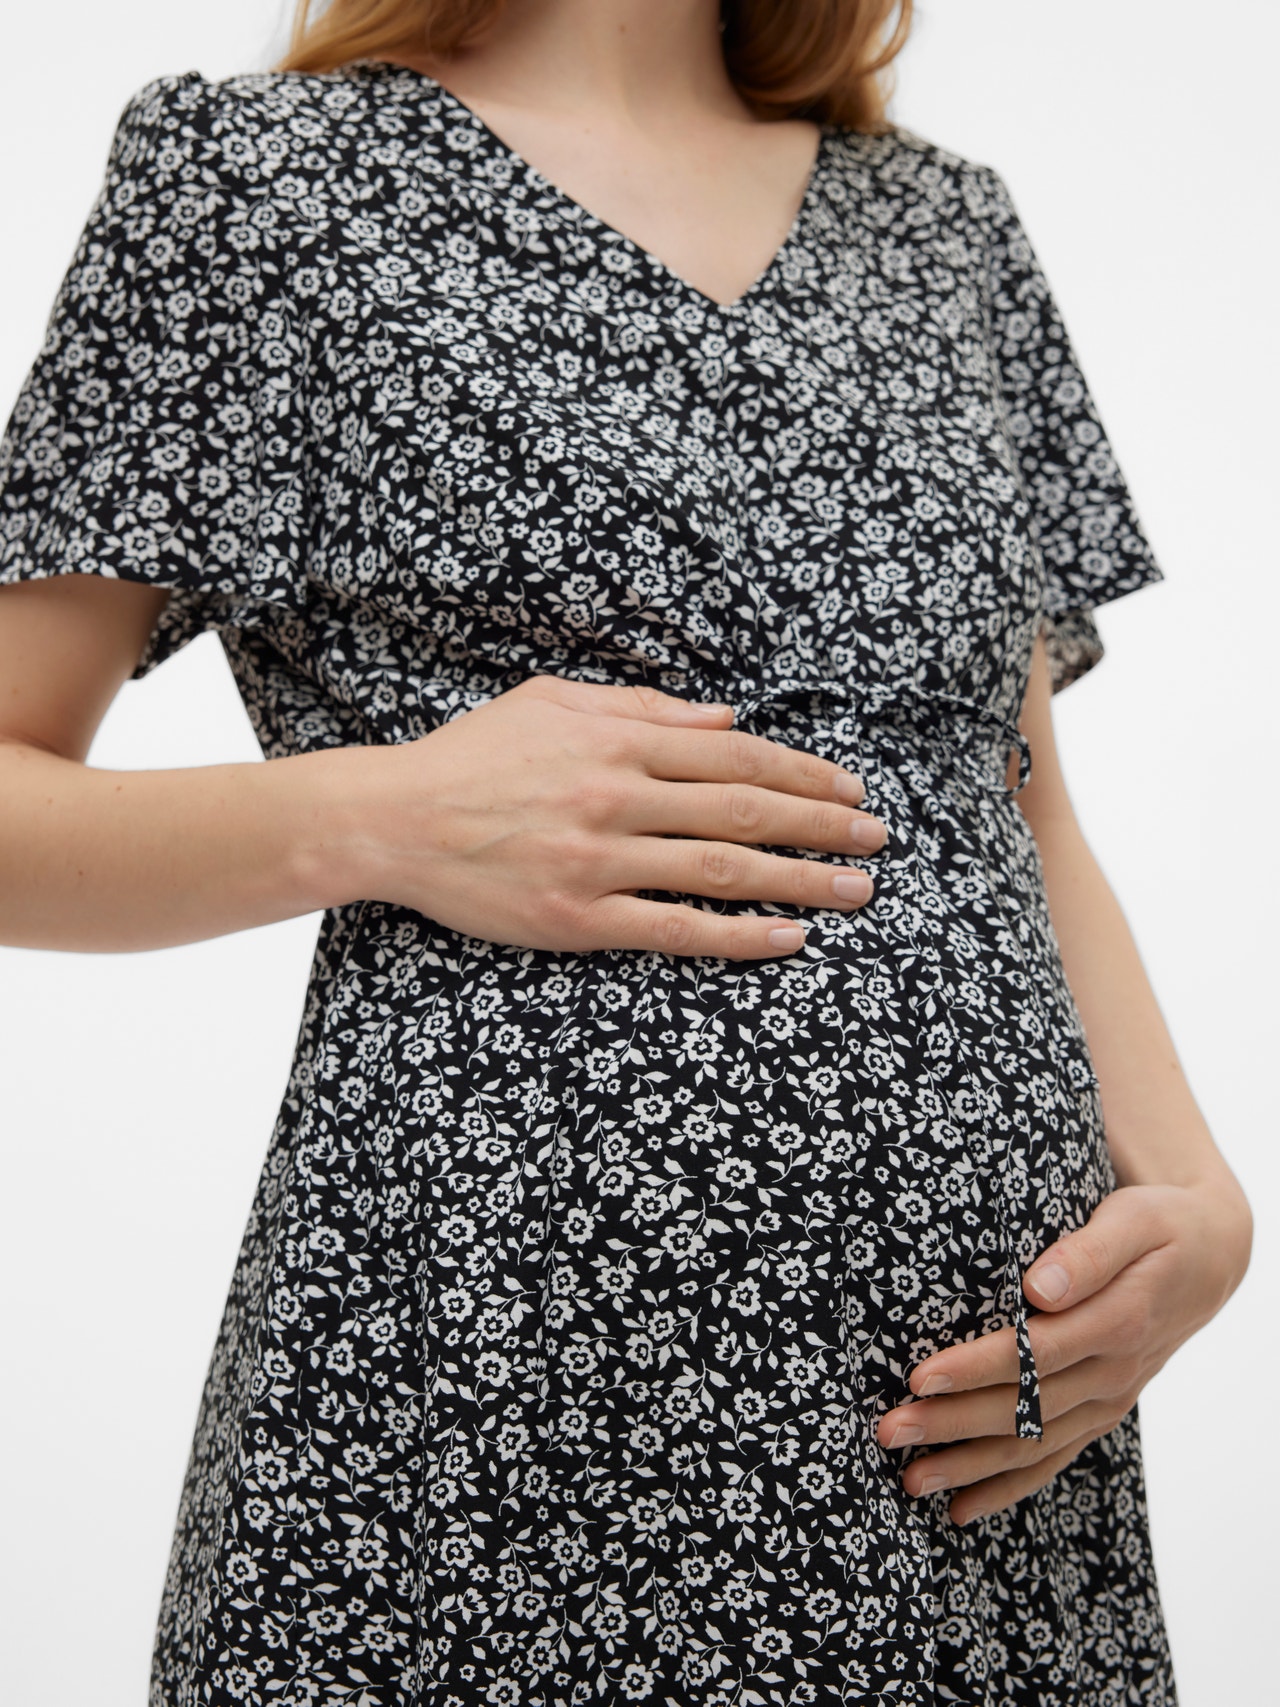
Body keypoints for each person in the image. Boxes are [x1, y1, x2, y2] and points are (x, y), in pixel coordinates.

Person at [0, 0, 1253, 1702]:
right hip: (494, 1389)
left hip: (972, 1442)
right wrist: (385, 812)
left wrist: (1196, 1203)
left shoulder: (946, 227)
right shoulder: (254, 185)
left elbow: (1017, 799)